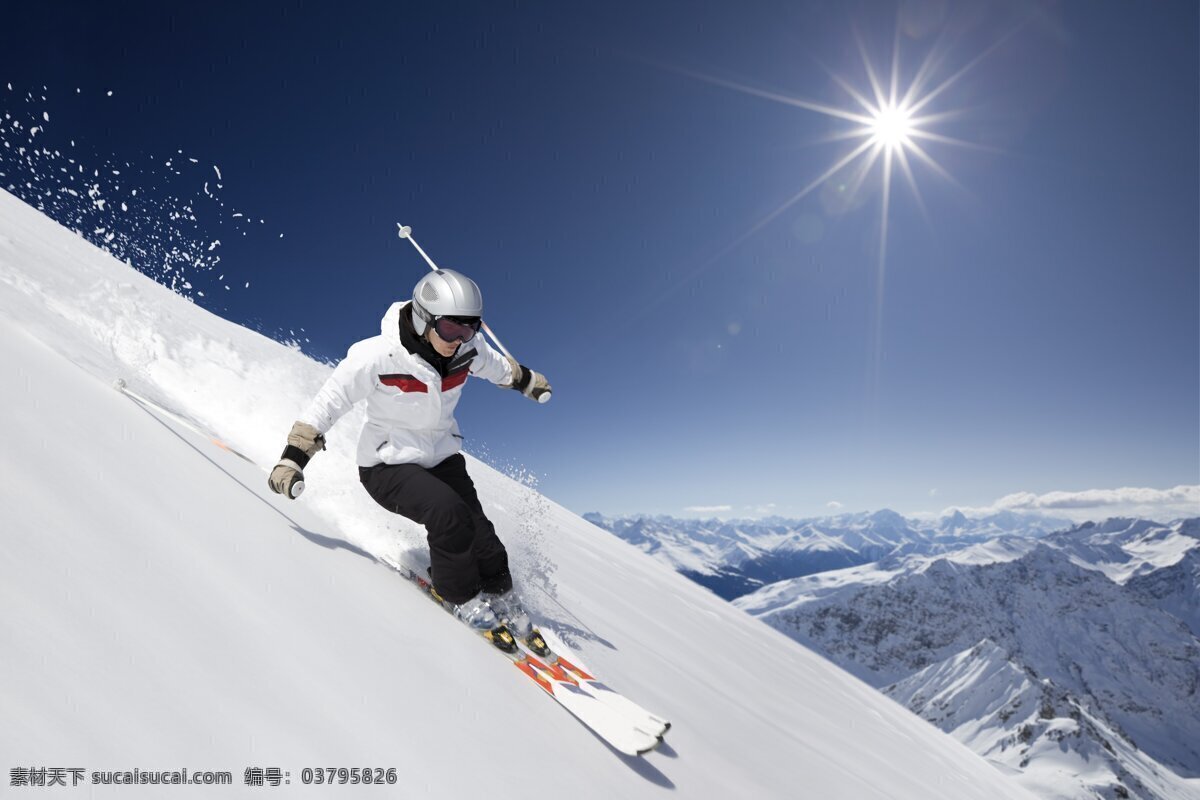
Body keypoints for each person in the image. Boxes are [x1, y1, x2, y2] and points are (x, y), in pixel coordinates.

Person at [267, 269, 551, 639]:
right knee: (449, 516)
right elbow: (328, 404)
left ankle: (501, 595)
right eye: (451, 329)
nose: (459, 340)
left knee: (484, 538)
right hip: (387, 465)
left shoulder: (467, 350)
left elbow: (497, 367)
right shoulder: (377, 356)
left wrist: (526, 381)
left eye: (470, 329)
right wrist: (294, 457)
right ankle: (459, 596)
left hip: (441, 458)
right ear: (423, 318)